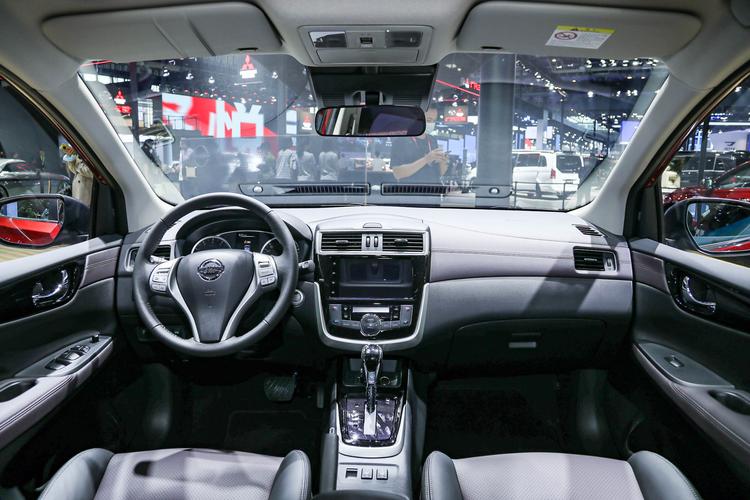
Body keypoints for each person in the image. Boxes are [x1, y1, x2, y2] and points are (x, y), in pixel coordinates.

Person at [389, 108, 447, 183]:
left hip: (433, 188)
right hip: (412, 189)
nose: (431, 124)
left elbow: (440, 173)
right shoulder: (401, 140)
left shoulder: (432, 140)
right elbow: (398, 173)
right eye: (429, 120)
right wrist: (426, 159)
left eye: (434, 121)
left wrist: (443, 161)